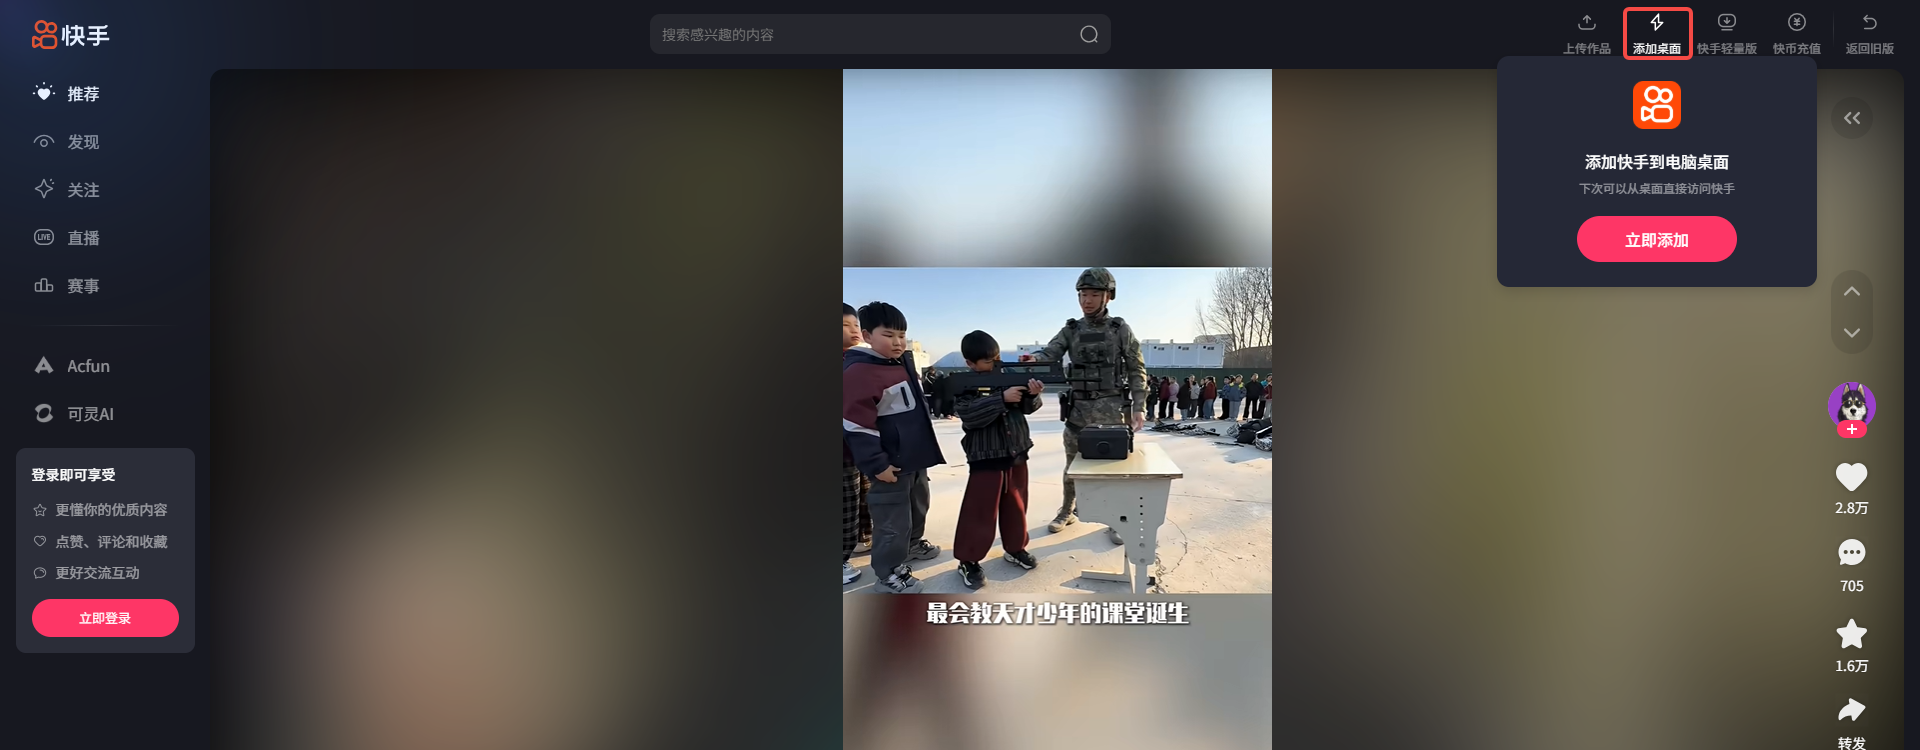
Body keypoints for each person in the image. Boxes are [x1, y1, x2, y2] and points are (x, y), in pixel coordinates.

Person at [1026, 268, 1146, 545]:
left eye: (1093, 294)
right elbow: (1050, 352)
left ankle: (1118, 517)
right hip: (1078, 410)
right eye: (1082, 295)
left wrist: (1139, 405)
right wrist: (1034, 359)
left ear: (1108, 296)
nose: (1087, 300)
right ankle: (1067, 510)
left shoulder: (1119, 329)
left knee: (1114, 467)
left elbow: (1136, 367)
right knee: (1071, 465)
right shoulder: (1071, 330)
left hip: (1112, 411)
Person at [844, 301, 945, 593]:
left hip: (914, 460)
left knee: (917, 508)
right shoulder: (859, 372)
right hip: (891, 465)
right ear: (867, 336)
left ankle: (911, 546)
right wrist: (878, 464)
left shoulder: (900, 365)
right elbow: (856, 425)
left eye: (902, 335)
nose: (898, 342)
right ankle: (888, 574)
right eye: (888, 335)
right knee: (892, 521)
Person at [950, 330, 1043, 590]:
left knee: (1017, 506)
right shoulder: (964, 383)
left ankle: (1015, 548)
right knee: (980, 512)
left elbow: (1028, 408)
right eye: (989, 360)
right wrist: (1001, 398)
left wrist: (1032, 394)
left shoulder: (1009, 375)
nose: (996, 363)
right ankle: (968, 560)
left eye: (998, 357)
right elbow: (968, 415)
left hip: (1016, 452)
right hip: (986, 456)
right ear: (970, 363)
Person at [843, 304, 874, 584]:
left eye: (855, 324)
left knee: (862, 496)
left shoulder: (858, 360)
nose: (853, 330)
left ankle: (862, 538)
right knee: (845, 502)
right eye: (845, 325)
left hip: (858, 446)